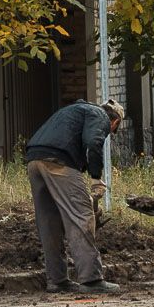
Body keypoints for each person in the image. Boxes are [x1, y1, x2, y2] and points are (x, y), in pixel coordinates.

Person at [25, 99, 125, 294]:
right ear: (115, 122)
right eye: (113, 130)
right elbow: (94, 142)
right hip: (58, 162)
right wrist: (96, 178)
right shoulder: (100, 116)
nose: (110, 132)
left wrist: (86, 169)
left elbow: (74, 141)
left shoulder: (74, 110)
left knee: (49, 223)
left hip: (34, 160)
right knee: (81, 217)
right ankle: (91, 280)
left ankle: (57, 280)